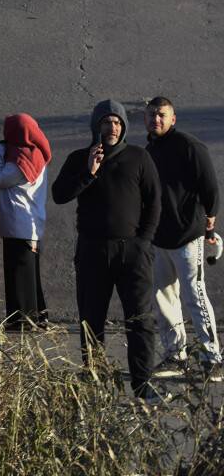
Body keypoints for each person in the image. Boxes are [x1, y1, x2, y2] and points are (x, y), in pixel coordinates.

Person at [52, 99, 161, 399]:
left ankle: (143, 384)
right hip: (91, 253)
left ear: (123, 127)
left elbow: (154, 202)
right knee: (91, 321)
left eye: (117, 122)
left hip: (132, 254)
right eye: (106, 122)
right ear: (96, 126)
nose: (112, 127)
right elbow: (59, 195)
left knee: (140, 321)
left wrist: (143, 243)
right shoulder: (79, 159)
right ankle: (95, 384)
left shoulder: (139, 157)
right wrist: (88, 172)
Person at [144, 97, 223, 379]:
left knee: (195, 295)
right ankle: (175, 356)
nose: (156, 119)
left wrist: (210, 224)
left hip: (187, 236)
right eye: (152, 115)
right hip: (158, 237)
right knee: (163, 298)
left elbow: (210, 187)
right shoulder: (148, 151)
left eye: (162, 115)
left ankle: (212, 358)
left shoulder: (189, 147)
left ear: (173, 119)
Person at [0, 113, 52, 330]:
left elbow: (0, 177)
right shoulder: (36, 155)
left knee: (20, 275)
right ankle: (38, 316)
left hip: (19, 223)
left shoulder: (23, 160)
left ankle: (23, 320)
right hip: (28, 222)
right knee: (28, 274)